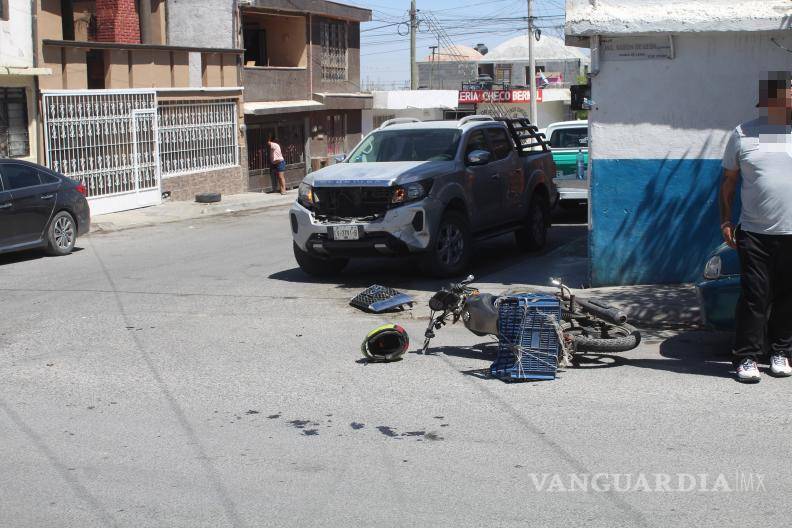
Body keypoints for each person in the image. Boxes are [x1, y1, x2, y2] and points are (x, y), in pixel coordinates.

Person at [720, 71, 792, 382]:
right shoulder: (743, 134)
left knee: (788, 296)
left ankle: (780, 352)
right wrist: (725, 220)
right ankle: (745, 357)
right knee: (754, 296)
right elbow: (729, 183)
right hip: (755, 234)